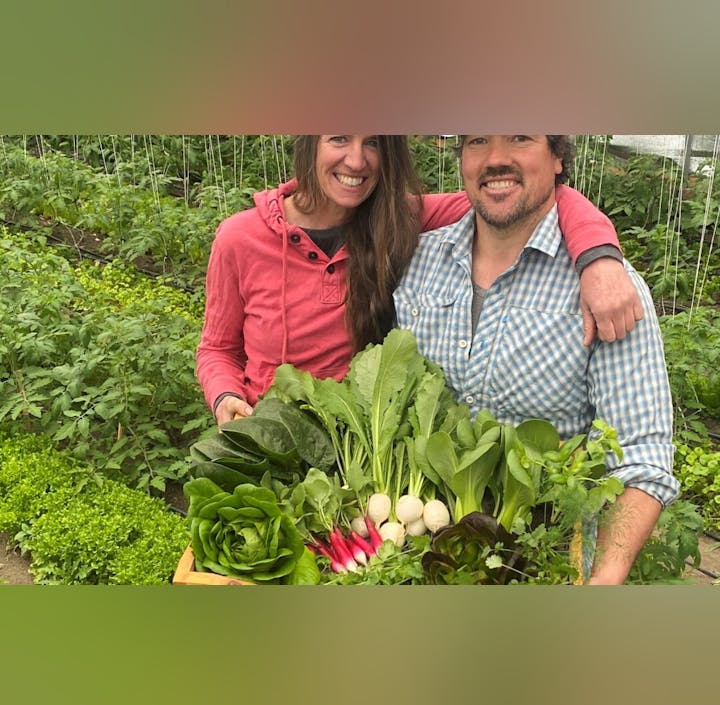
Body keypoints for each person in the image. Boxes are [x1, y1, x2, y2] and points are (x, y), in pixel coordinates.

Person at [393, 134, 679, 585]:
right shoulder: (414, 262)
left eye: (521, 137)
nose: (496, 160)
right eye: (477, 141)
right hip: (412, 550)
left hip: (545, 557)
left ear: (558, 157)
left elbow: (643, 458)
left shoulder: (606, 292)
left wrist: (604, 580)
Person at [197, 135, 640, 425]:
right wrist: (224, 397)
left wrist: (599, 256)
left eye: (372, 142)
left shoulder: (400, 219)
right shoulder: (241, 237)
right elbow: (217, 349)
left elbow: (528, 194)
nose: (356, 159)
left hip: (362, 447)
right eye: (338, 138)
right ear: (309, 145)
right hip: (268, 433)